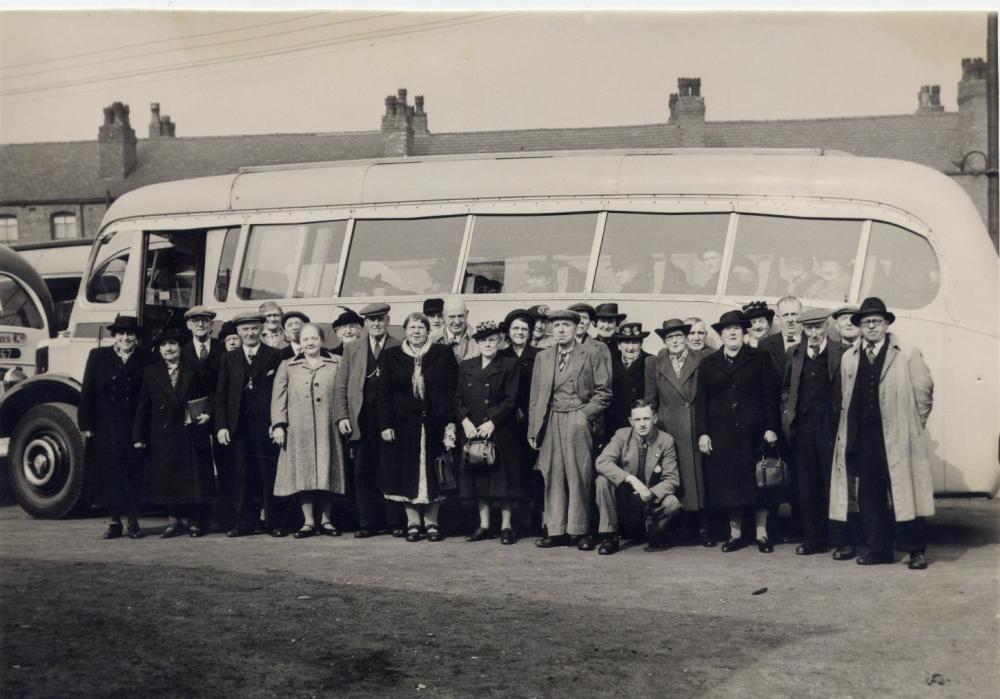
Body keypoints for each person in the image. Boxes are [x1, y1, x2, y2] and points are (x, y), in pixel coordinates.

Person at [831, 297, 934, 570]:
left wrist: (914, 425)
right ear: (860, 327)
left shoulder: (906, 352)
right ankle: (879, 550)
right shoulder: (850, 357)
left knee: (904, 492)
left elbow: (924, 392)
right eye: (866, 322)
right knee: (869, 495)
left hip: (898, 437)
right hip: (864, 439)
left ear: (887, 323)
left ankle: (915, 550)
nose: (872, 327)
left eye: (877, 321)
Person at [696, 310, 781, 553]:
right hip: (721, 433)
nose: (732, 332)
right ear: (721, 334)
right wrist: (703, 432)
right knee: (729, 485)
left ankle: (762, 533)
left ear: (744, 332)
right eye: (727, 329)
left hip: (754, 432)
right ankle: (735, 534)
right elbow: (701, 400)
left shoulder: (760, 358)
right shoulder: (708, 363)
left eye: (737, 328)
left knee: (759, 483)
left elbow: (770, 395)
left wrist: (771, 427)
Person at [528, 309, 612, 551]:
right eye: (556, 326)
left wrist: (584, 416)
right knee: (552, 475)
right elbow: (535, 397)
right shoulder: (543, 357)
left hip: (578, 417)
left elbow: (604, 392)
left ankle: (581, 530)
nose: (561, 330)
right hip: (551, 418)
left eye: (566, 325)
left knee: (579, 474)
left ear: (577, 328)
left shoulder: (592, 353)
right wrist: (534, 430)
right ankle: (555, 530)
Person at [378, 312, 458, 542]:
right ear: (405, 331)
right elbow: (384, 394)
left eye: (420, 327)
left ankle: (432, 524)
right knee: (406, 473)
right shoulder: (391, 355)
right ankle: (413, 523)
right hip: (404, 425)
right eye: (412, 327)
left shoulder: (442, 353)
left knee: (435, 472)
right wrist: (385, 424)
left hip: (435, 423)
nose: (416, 332)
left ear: (428, 330)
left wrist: (450, 422)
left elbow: (453, 390)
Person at [133, 325, 213, 538]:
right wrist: (138, 436)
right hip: (163, 432)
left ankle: (194, 521)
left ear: (180, 347)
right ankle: (173, 521)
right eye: (164, 345)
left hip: (190, 431)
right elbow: (143, 404)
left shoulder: (195, 367)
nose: (168, 348)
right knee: (167, 478)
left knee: (192, 477)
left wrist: (208, 413)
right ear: (159, 350)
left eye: (173, 344)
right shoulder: (152, 372)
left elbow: (211, 395)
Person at [215, 310, 288, 537]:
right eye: (245, 329)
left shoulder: (274, 355)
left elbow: (281, 392)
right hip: (238, 427)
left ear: (261, 330)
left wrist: (278, 424)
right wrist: (222, 426)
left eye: (254, 329)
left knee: (268, 473)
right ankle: (245, 522)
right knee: (242, 475)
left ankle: (274, 522)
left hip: (265, 426)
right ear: (238, 332)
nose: (250, 333)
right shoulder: (228, 358)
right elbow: (221, 395)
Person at [781, 308, 848, 556]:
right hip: (804, 427)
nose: (814, 333)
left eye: (818, 327)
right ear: (803, 330)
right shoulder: (795, 353)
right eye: (809, 328)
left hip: (830, 425)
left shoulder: (841, 352)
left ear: (826, 327)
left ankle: (839, 539)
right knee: (807, 484)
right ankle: (813, 540)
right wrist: (788, 414)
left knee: (833, 483)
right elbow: (787, 388)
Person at [271, 323, 347, 538]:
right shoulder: (288, 365)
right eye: (305, 339)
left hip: (327, 427)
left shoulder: (337, 362)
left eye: (314, 338)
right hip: (298, 429)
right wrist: (279, 425)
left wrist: (343, 419)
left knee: (327, 472)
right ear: (299, 343)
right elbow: (278, 399)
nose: (310, 343)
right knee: (302, 473)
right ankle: (308, 521)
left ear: (322, 340)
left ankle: (326, 520)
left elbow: (343, 394)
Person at [333, 303, 402, 538]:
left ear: (387, 320)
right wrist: (342, 415)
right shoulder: (352, 348)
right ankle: (367, 523)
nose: (376, 324)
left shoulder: (398, 345)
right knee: (363, 472)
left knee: (391, 470)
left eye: (380, 319)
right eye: (371, 320)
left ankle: (394, 522)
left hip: (390, 421)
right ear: (365, 323)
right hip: (361, 418)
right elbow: (341, 385)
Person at [646, 318, 714, 546]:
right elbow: (651, 400)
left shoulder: (702, 358)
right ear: (664, 341)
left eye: (678, 336)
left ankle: (704, 527)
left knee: (699, 478)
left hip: (694, 425)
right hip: (668, 428)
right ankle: (678, 528)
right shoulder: (655, 363)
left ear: (685, 338)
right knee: (675, 477)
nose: (674, 341)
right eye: (669, 338)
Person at [79, 314, 147, 540]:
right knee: (110, 474)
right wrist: (86, 423)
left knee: (133, 473)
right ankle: (114, 521)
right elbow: (87, 390)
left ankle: (133, 521)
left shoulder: (146, 359)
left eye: (130, 334)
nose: (126, 338)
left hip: (134, 425)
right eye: (121, 334)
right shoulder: (99, 356)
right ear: (115, 337)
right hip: (106, 426)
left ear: (136, 338)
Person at [455, 321, 522, 544]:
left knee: (503, 480)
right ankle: (484, 525)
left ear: (500, 341)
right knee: (478, 478)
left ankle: (506, 526)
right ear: (477, 343)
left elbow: (511, 399)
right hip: (472, 431)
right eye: (483, 340)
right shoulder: (467, 365)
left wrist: (493, 421)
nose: (488, 344)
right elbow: (457, 398)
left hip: (500, 430)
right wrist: (464, 420)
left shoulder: (510, 365)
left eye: (492, 340)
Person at [594, 400, 682, 554]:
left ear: (654, 418)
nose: (642, 424)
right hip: (625, 498)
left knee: (672, 503)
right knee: (602, 481)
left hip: (649, 500)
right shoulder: (621, 435)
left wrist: (651, 493)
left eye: (646, 419)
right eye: (637, 420)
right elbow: (602, 462)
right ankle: (610, 536)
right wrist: (631, 479)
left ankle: (653, 532)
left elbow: (672, 479)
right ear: (630, 421)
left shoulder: (666, 440)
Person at [181, 306, 226, 530]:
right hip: (194, 418)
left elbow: (224, 385)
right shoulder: (183, 351)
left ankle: (225, 517)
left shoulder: (222, 348)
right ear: (189, 325)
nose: (200, 325)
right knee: (198, 468)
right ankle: (199, 518)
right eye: (196, 321)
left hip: (218, 415)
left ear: (211, 325)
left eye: (205, 321)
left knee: (225, 464)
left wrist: (211, 411)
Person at [499, 308, 543, 533]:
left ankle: (535, 520)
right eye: (515, 328)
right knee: (510, 470)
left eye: (524, 329)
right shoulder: (500, 356)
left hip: (532, 420)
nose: (519, 332)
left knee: (533, 470)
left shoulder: (540, 355)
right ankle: (512, 522)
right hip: (507, 423)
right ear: (508, 331)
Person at [606, 323, 651, 432]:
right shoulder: (609, 362)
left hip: (641, 422)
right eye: (626, 342)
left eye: (635, 342)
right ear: (619, 345)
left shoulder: (650, 361)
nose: (630, 348)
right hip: (615, 422)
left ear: (641, 344)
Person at [758, 296, 803, 380]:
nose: (790, 319)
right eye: (785, 315)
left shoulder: (813, 341)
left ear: (802, 316)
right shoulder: (765, 344)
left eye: (794, 314)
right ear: (778, 318)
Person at [435, 296, 479, 361]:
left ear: (467, 314)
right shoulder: (431, 340)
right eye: (452, 317)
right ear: (443, 316)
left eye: (460, 316)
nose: (457, 321)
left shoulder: (479, 339)